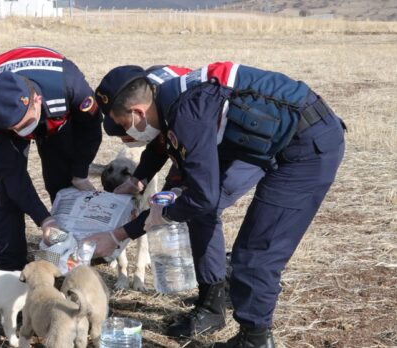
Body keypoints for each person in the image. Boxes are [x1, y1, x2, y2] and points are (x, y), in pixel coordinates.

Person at [85, 62, 345, 348]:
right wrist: (142, 188)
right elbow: (173, 165)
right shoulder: (169, 100)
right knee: (197, 212)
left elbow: (201, 196)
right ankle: (213, 303)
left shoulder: (187, 112)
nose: (126, 134)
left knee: (256, 253)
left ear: (136, 112)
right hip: (267, 139)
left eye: (123, 126)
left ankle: (254, 340)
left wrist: (128, 230)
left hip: (307, 145)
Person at [0, 46, 102, 271]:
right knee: (6, 192)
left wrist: (80, 171)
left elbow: (90, 127)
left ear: (36, 100)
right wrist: (44, 219)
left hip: (55, 119)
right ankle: (10, 265)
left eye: (23, 125)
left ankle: (69, 257)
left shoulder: (69, 84)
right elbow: (10, 172)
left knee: (62, 181)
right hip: (14, 120)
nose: (20, 132)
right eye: (13, 128)